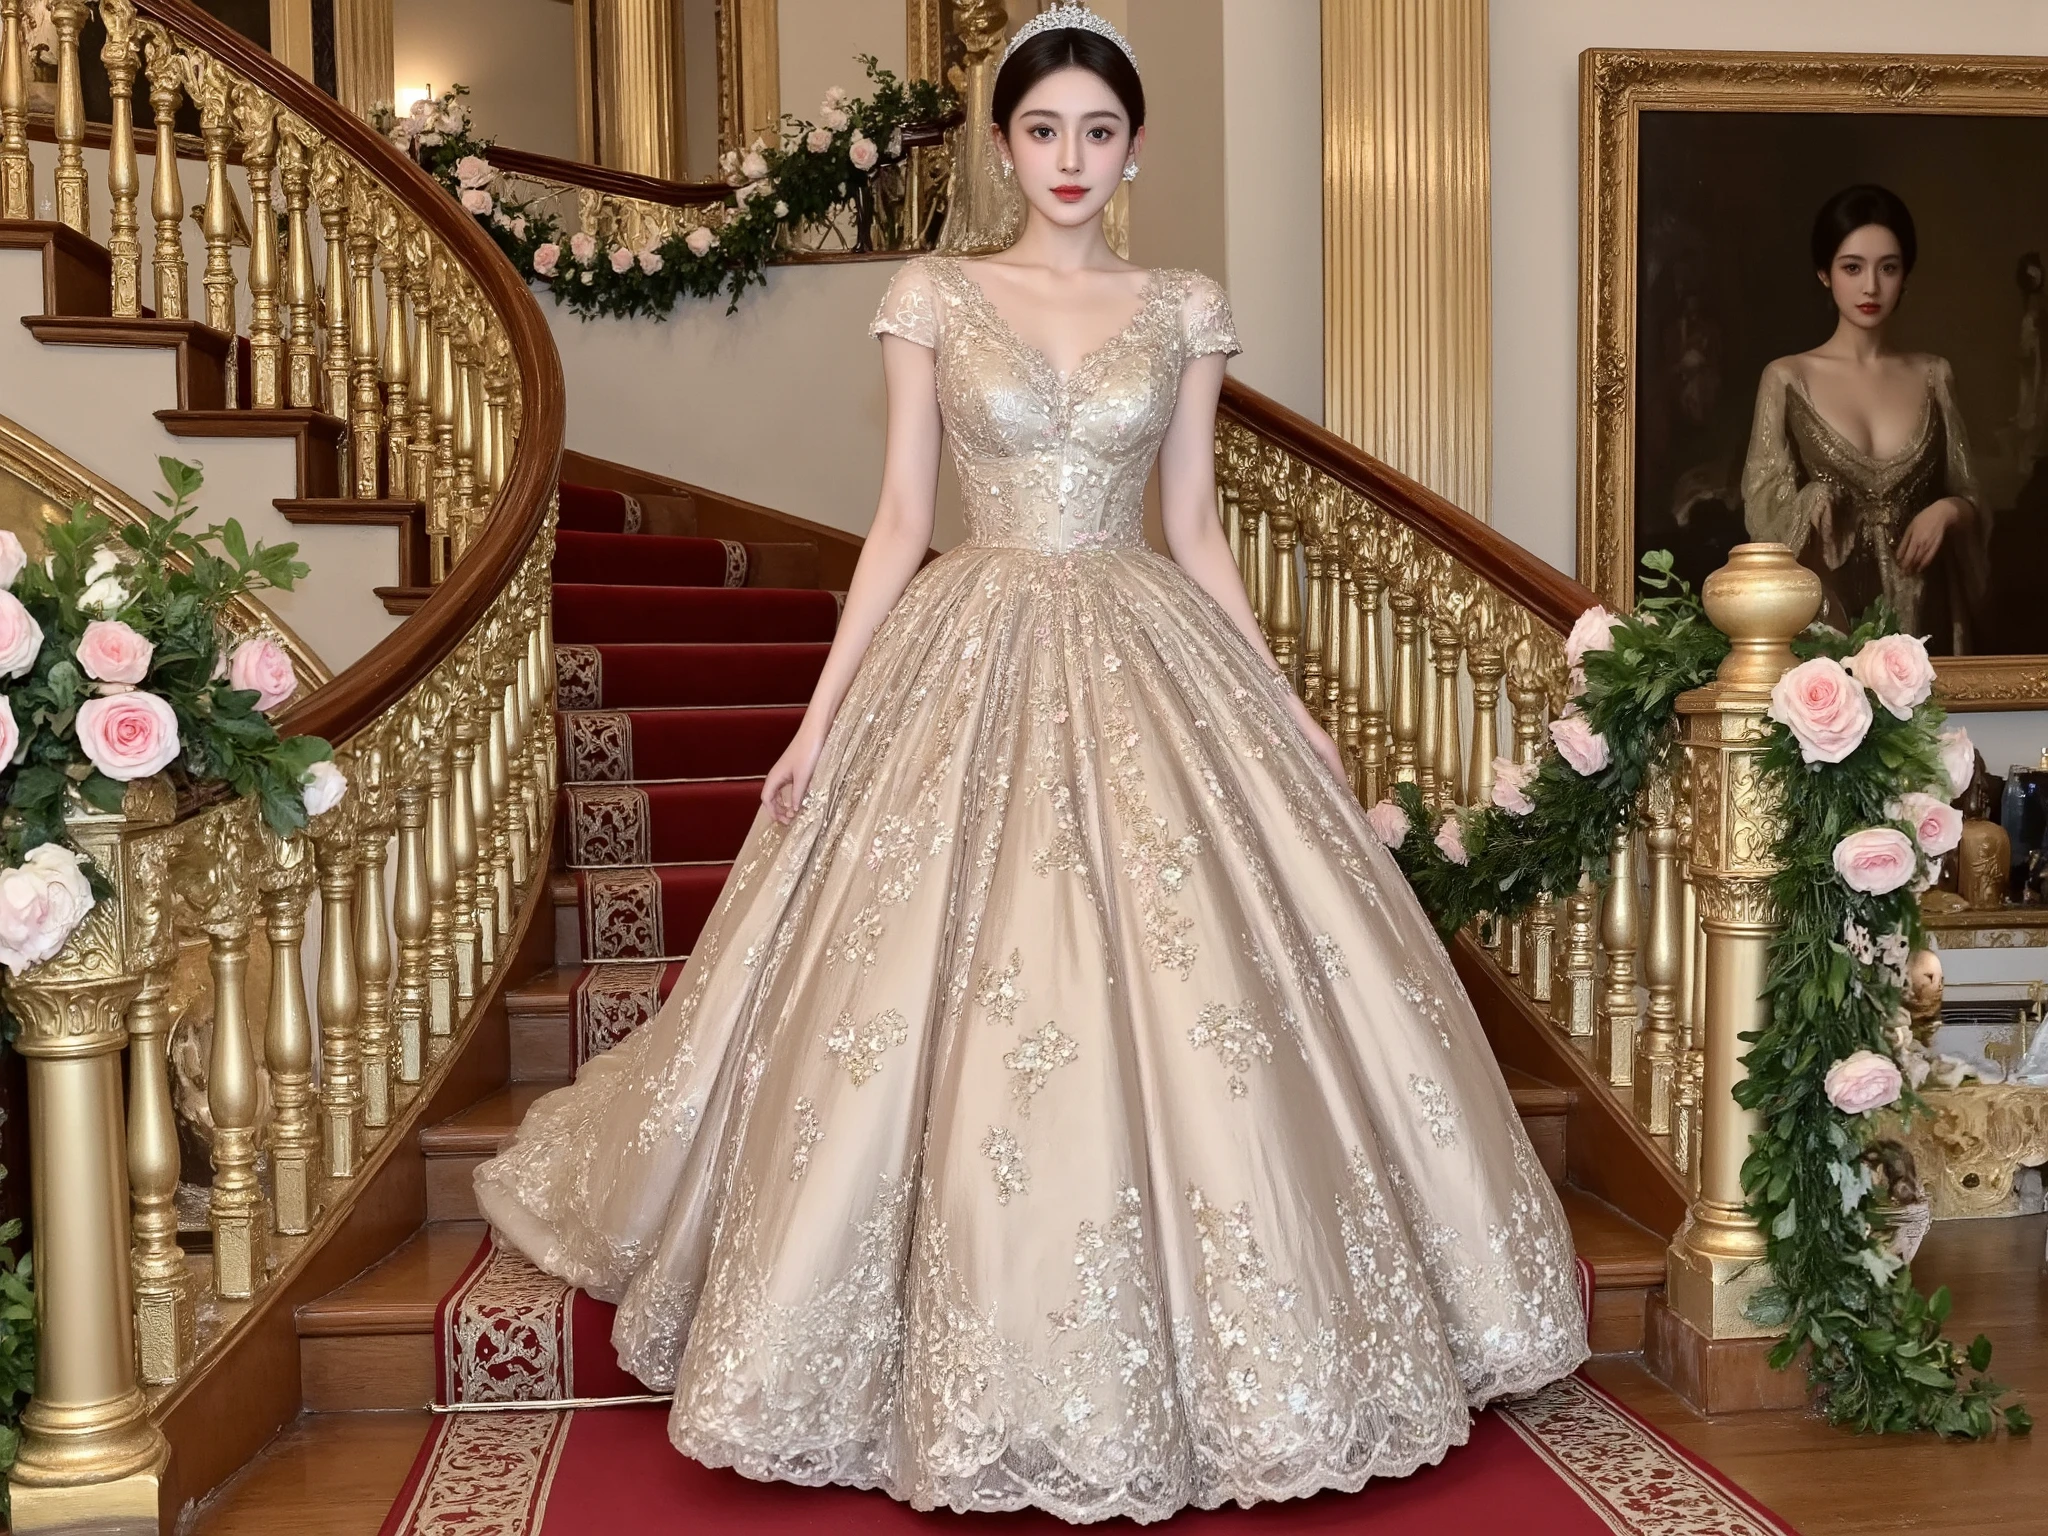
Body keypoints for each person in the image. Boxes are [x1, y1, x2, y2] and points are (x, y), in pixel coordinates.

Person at [474, 7, 1586, 1521]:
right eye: (1044, 129)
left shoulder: (1181, 305)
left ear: (1136, 148)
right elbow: (896, 519)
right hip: (969, 633)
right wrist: (816, 719)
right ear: (1004, 146)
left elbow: (1192, 528)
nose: (1071, 157)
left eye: (1099, 132)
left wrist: (1285, 700)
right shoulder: (932, 295)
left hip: (1142, 635)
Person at [1741, 183, 1989, 653]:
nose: (1871, 287)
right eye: (1852, 267)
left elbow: (1971, 493)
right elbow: (1763, 512)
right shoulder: (1787, 378)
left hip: (1924, 615)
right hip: (1829, 620)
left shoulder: (1934, 375)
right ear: (1824, 273)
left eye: (1888, 268)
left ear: (1905, 275)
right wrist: (1813, 501)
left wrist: (1951, 511)